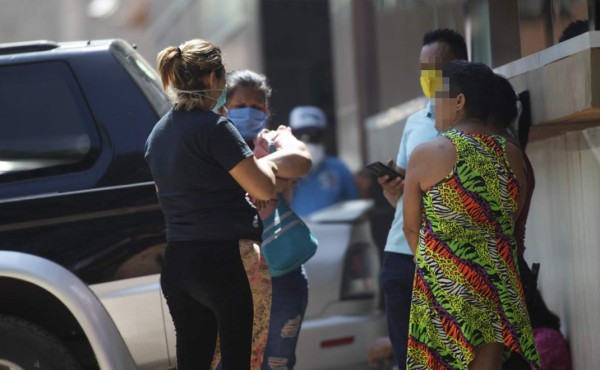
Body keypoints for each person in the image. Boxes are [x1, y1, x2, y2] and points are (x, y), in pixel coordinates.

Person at [145, 39, 281, 370]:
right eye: (223, 76)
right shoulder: (216, 128)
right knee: (242, 362)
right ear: (211, 80)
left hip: (178, 263)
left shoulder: (158, 134)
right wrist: (274, 164)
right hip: (226, 260)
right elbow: (262, 187)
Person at [402, 60, 540, 369]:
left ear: (459, 101)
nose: (433, 106)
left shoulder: (428, 153)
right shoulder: (512, 154)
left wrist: (435, 264)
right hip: (497, 285)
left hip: (447, 284)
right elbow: (514, 220)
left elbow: (410, 227)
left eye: (438, 96)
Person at [375, 28, 468, 370]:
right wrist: (391, 190)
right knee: (408, 359)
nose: (429, 76)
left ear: (461, 66)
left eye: (437, 66)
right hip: (401, 254)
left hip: (452, 254)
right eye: (423, 67)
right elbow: (401, 195)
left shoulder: (479, 124)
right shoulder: (415, 122)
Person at [216, 69, 312, 370]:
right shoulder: (214, 144)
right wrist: (269, 181)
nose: (249, 112)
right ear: (225, 107)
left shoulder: (275, 140)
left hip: (283, 274)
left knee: (277, 362)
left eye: (256, 107)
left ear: (267, 110)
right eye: (240, 105)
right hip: (233, 279)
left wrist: (253, 172)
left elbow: (301, 161)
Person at [288, 105, 358, 217]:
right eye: (303, 136)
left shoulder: (338, 168)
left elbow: (354, 205)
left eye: (315, 136)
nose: (309, 143)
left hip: (332, 232)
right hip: (294, 233)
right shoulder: (283, 171)